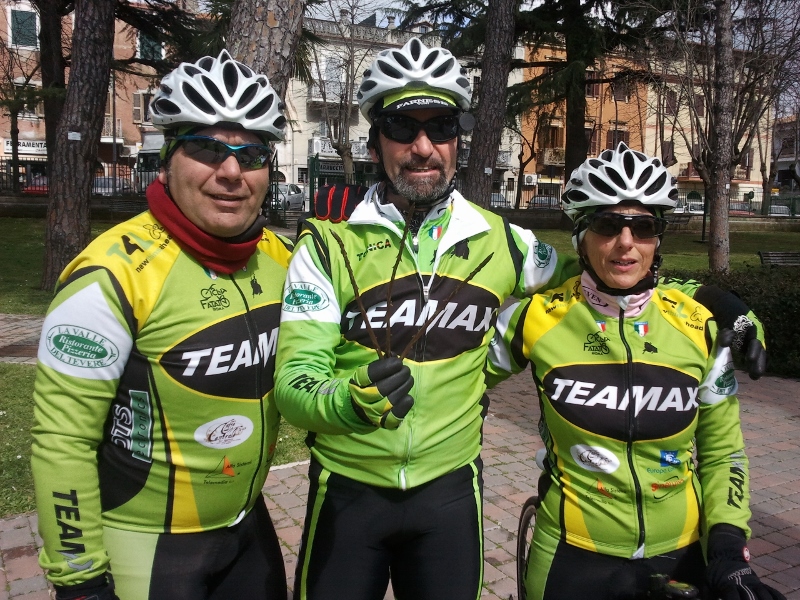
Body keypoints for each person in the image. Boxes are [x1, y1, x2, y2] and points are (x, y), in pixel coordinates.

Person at [274, 37, 765, 600]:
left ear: (458, 139)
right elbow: (294, 382)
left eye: (441, 127)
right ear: (374, 140)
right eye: (402, 127)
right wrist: (344, 401)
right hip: (348, 488)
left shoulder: (505, 242)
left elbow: (608, 272)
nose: (423, 146)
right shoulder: (328, 245)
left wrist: (710, 299)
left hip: (448, 492)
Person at [31, 50, 291, 600]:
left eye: (250, 154)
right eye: (206, 149)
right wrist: (79, 578)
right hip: (146, 546)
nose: (230, 172)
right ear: (167, 159)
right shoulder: (111, 276)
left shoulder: (281, 258)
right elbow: (62, 440)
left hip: (247, 528)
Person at [488, 144, 784, 600]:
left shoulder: (700, 326)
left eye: (643, 227)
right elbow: (455, 383)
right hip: (569, 552)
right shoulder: (534, 319)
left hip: (682, 550)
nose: (626, 242)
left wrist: (728, 549)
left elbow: (724, 454)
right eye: (608, 225)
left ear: (657, 240)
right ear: (581, 237)